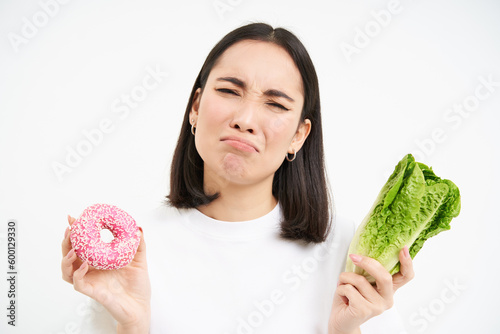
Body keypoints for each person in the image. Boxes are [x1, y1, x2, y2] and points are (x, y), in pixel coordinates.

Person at [61, 22, 414, 334]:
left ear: (299, 136)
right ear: (195, 108)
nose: (245, 118)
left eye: (276, 104)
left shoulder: (348, 252)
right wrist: (133, 326)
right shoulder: (137, 253)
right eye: (230, 91)